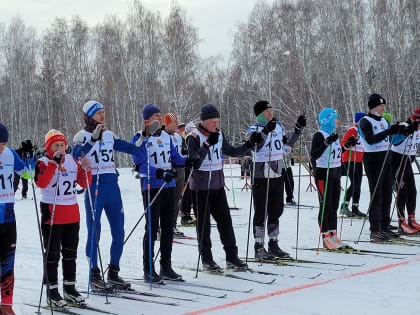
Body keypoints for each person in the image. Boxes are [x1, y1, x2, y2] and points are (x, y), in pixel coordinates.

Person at [73, 101, 142, 290]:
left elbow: (132, 149)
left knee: (119, 231)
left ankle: (113, 272)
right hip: (94, 186)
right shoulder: (82, 135)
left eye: (104, 112)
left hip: (112, 186)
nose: (102, 116)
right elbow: (75, 155)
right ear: (88, 116)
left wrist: (142, 140)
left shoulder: (110, 135)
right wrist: (92, 141)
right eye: (98, 113)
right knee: (94, 231)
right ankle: (94, 274)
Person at [187, 104, 262, 272]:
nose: (216, 125)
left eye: (218, 121)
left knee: (225, 223)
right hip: (200, 187)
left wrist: (249, 144)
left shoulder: (219, 133)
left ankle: (232, 257)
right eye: (213, 121)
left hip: (218, 185)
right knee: (203, 225)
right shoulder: (193, 136)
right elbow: (194, 161)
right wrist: (206, 145)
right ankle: (207, 258)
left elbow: (232, 151)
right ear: (204, 121)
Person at [132, 104, 199, 283]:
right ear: (147, 119)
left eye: (161, 116)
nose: (160, 119)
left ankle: (166, 266)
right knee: (152, 229)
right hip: (152, 187)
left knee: (168, 227)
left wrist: (188, 160)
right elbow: (140, 165)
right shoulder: (140, 138)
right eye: (156, 116)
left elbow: (174, 157)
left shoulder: (166, 137)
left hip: (168, 187)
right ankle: (148, 269)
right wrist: (159, 173)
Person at [35, 130, 92, 307]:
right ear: (48, 147)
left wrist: (86, 169)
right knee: (52, 254)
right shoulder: (43, 162)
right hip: (52, 212)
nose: (60, 148)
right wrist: (54, 164)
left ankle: (69, 288)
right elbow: (41, 182)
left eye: (62, 145)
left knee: (70, 253)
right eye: (55, 145)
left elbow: (84, 183)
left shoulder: (71, 160)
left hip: (71, 212)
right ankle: (52, 291)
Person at [246, 101, 305, 259]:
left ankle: (273, 243)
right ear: (259, 114)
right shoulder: (253, 129)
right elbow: (255, 145)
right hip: (261, 174)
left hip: (278, 172)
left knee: (276, 209)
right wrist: (265, 131)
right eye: (266, 111)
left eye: (271, 110)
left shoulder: (278, 126)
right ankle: (259, 245)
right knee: (261, 211)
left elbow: (288, 142)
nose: (270, 113)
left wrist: (298, 129)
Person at [358, 94, 407, 241]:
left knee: (387, 193)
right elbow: (371, 140)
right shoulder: (365, 121)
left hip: (386, 157)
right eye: (381, 106)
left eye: (384, 105)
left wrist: (401, 132)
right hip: (373, 159)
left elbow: (392, 139)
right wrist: (388, 132)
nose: (383, 108)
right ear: (373, 107)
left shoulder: (384, 121)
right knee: (376, 194)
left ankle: (385, 226)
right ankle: (375, 229)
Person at [311, 108, 350, 249]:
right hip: (323, 174)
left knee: (333, 206)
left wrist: (346, 146)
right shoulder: (319, 135)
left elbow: (335, 153)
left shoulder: (333, 135)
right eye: (335, 118)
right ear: (327, 120)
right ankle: (325, 236)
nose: (337, 120)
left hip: (335, 173)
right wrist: (326, 143)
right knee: (325, 205)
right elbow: (314, 155)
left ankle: (333, 235)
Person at [0, 124, 24, 315]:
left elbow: (25, 172)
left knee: (8, 260)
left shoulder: (9, 153)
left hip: (8, 214)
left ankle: (6, 304)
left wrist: (30, 159)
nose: (1, 147)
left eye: (4, 143)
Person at [390, 108, 420, 234]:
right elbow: (393, 140)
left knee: (413, 191)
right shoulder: (404, 126)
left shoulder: (418, 131)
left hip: (407, 162)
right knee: (402, 192)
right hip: (396, 161)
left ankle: (411, 219)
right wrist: (406, 132)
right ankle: (401, 222)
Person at [163, 113, 188, 237]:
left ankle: (172, 225)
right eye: (174, 122)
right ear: (167, 123)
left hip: (180, 170)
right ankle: (161, 226)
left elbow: (184, 151)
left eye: (177, 122)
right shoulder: (162, 136)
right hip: (168, 170)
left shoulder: (179, 137)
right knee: (167, 200)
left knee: (177, 199)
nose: (176, 124)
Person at [339, 112, 367, 217]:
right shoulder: (352, 130)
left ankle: (355, 207)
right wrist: (349, 143)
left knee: (358, 184)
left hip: (359, 160)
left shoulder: (363, 132)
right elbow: (343, 144)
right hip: (349, 158)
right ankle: (344, 206)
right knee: (355, 182)